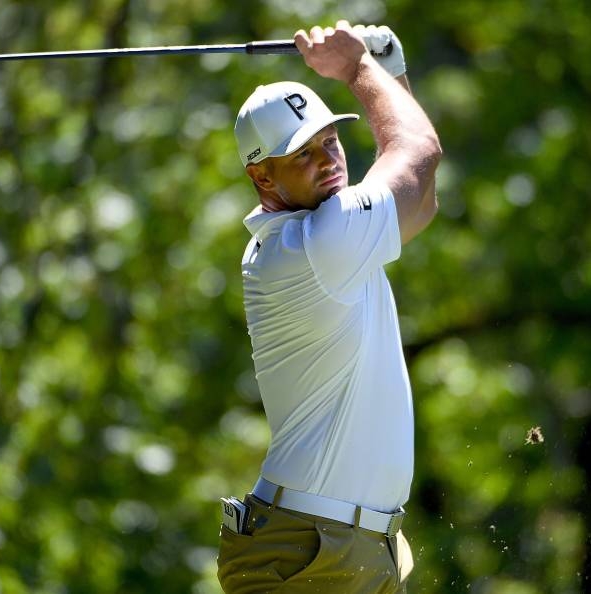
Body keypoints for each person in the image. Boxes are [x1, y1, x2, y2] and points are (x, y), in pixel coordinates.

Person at [217, 20, 441, 593]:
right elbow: (418, 153)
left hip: (347, 547)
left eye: (331, 141)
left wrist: (389, 73)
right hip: (311, 549)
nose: (329, 160)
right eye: (304, 154)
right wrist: (358, 68)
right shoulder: (313, 246)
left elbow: (422, 201)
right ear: (261, 175)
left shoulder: (327, 232)